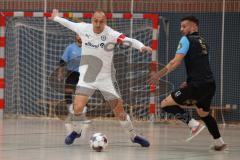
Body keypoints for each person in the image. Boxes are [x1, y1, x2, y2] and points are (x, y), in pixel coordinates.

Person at [49, 9, 152, 147]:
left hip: (106, 79)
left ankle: (134, 136)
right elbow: (68, 23)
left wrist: (141, 46)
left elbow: (127, 40)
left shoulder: (111, 34)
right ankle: (77, 131)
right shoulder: (83, 28)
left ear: (105, 22)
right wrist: (56, 18)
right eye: (95, 21)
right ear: (92, 20)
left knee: (120, 113)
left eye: (101, 21)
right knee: (77, 107)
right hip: (87, 77)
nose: (98, 24)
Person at [148, 16, 227, 151]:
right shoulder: (203, 42)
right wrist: (189, 80)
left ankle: (192, 124)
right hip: (209, 85)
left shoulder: (186, 39)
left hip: (197, 85)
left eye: (184, 26)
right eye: (181, 26)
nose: (181, 29)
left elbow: (175, 62)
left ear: (194, 27)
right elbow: (202, 65)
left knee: (165, 104)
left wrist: (158, 75)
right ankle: (219, 142)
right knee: (204, 114)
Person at [58, 34, 89, 135]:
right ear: (76, 37)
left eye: (82, 35)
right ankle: (70, 115)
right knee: (68, 94)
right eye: (78, 35)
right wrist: (60, 73)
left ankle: (83, 116)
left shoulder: (88, 48)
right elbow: (62, 62)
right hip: (72, 74)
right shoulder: (70, 48)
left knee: (83, 96)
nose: (80, 37)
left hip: (84, 74)